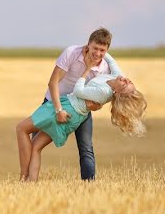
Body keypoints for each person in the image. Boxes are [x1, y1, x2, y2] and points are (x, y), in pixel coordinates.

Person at [15, 59, 147, 182]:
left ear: (117, 93)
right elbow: (111, 61)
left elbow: (78, 91)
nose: (125, 80)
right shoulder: (116, 78)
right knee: (36, 147)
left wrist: (87, 68)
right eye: (129, 81)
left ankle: (23, 177)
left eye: (125, 84)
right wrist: (99, 54)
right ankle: (30, 183)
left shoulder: (104, 91)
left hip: (68, 109)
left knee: (21, 128)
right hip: (74, 113)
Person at [37, 27, 121, 180]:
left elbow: (102, 94)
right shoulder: (71, 53)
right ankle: (27, 181)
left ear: (107, 50)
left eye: (102, 50)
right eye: (95, 48)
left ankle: (89, 185)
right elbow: (53, 82)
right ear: (88, 44)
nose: (98, 53)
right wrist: (58, 110)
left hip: (79, 110)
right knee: (34, 143)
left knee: (86, 148)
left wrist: (97, 105)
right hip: (53, 103)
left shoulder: (105, 69)